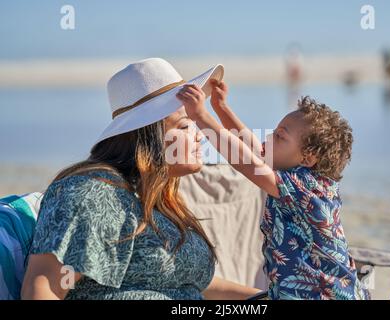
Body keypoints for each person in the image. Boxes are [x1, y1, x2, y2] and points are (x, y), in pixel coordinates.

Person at [21, 58, 260, 300]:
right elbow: (43, 289)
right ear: (149, 136)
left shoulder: (159, 198)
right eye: (186, 126)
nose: (199, 136)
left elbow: (188, 282)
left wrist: (264, 297)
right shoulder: (93, 193)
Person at [177, 80, 370, 300]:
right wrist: (222, 108)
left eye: (280, 137)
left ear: (308, 158)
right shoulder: (299, 177)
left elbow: (245, 161)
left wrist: (201, 116)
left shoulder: (308, 190)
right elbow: (253, 150)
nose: (269, 138)